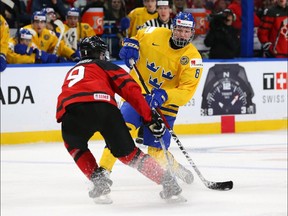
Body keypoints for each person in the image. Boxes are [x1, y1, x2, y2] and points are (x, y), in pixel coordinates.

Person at [56, 35, 182, 200]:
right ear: (100, 54)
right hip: (105, 109)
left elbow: (63, 102)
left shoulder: (71, 71)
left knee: (75, 146)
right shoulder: (105, 65)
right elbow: (130, 90)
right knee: (129, 155)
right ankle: (168, 182)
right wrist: (149, 118)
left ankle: (97, 179)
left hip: (72, 112)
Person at [99, 12, 203, 185]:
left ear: (192, 33)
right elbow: (135, 37)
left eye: (186, 31)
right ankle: (103, 171)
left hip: (165, 105)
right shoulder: (154, 33)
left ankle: (176, 169)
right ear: (172, 28)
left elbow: (186, 92)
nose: (182, 34)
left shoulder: (193, 59)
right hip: (137, 94)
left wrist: (165, 95)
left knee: (156, 150)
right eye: (179, 30)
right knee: (121, 131)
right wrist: (130, 45)